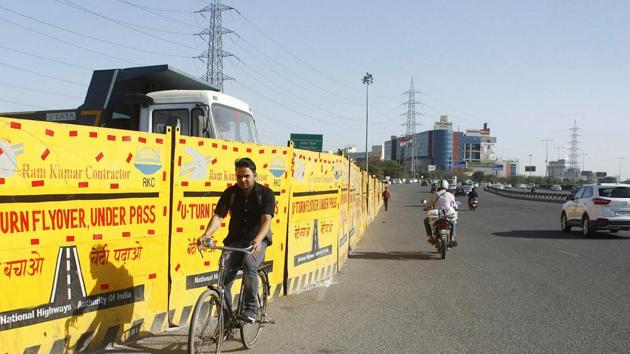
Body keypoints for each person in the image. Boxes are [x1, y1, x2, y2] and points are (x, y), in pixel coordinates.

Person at [198, 157, 275, 323]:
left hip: (257, 241)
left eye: (246, 176)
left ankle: (251, 308)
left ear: (255, 175)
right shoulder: (230, 193)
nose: (243, 180)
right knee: (223, 279)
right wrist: (207, 234)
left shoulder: (265, 194)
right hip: (234, 242)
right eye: (239, 176)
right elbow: (218, 216)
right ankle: (226, 321)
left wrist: (258, 239)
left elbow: (266, 220)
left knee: (249, 263)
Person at [423, 179, 458, 244]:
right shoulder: (450, 195)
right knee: (453, 222)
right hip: (448, 213)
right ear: (447, 186)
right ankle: (452, 238)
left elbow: (429, 204)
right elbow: (454, 205)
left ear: (438, 186)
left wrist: (425, 208)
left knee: (426, 221)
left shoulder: (435, 194)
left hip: (437, 214)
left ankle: (430, 237)